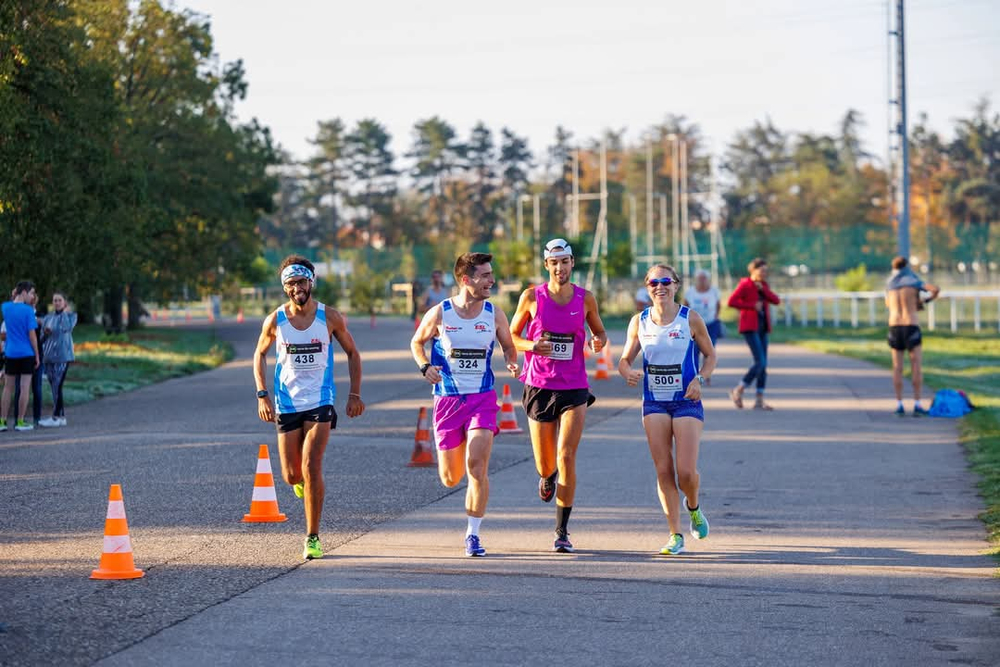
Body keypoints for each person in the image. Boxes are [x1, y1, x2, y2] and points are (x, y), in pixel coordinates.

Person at [253, 255, 365, 560]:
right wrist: (262, 395)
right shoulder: (275, 320)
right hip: (287, 401)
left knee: (312, 465)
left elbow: (353, 353)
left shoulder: (330, 317)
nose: (297, 288)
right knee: (291, 475)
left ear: (311, 282)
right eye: (291, 283)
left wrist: (354, 395)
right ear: (284, 287)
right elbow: (259, 354)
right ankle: (299, 482)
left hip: (320, 400)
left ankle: (312, 537)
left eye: (301, 281)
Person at [410, 252, 519, 557]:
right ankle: (468, 514)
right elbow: (417, 342)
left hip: (482, 399)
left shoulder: (494, 314)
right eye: (485, 276)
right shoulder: (441, 313)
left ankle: (473, 534)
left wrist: (511, 361)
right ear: (465, 280)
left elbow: (509, 346)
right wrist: (424, 366)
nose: (491, 281)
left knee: (477, 467)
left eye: (491, 274)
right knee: (450, 478)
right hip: (447, 401)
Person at [510, 238, 608, 553]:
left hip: (574, 386)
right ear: (546, 265)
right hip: (539, 385)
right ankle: (547, 476)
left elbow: (599, 331)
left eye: (565, 262)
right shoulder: (531, 297)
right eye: (554, 263)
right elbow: (511, 336)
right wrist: (531, 346)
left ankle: (562, 531)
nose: (560, 268)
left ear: (572, 263)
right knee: (545, 464)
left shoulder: (585, 298)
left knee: (566, 456)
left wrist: (598, 341)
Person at [619, 264, 716, 555]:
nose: (659, 287)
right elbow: (624, 359)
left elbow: (710, 355)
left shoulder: (690, 318)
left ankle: (693, 507)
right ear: (647, 288)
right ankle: (675, 534)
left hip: (686, 400)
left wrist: (700, 379)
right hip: (654, 402)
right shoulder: (639, 321)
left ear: (676, 285)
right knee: (663, 470)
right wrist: (627, 372)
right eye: (653, 283)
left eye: (665, 282)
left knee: (685, 472)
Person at [885, 256, 940, 416]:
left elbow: (888, 304)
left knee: (897, 367)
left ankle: (899, 404)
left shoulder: (889, 284)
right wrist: (924, 301)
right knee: (916, 365)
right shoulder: (913, 281)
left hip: (895, 326)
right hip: (911, 325)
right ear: (907, 266)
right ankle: (917, 403)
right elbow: (935, 289)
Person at [727, 258, 780, 410]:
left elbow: (776, 300)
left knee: (763, 365)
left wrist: (763, 290)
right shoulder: (745, 284)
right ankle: (739, 389)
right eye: (762, 270)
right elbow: (731, 301)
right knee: (760, 362)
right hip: (750, 327)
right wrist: (751, 305)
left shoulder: (763, 285)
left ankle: (759, 400)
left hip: (763, 328)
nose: (764, 273)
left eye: (766, 271)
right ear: (753, 270)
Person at [1, 282, 40, 432]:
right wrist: (37, 355)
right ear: (24, 292)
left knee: (7, 388)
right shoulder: (28, 311)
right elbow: (32, 336)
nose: (32, 296)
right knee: (24, 388)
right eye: (31, 293)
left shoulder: (5, 307)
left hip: (10, 352)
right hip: (26, 353)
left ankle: (2, 422)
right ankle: (20, 422)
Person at [38, 292, 77, 427]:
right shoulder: (48, 318)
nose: (57, 303)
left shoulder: (71, 316)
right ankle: (61, 417)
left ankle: (55, 417)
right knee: (54, 387)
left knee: (58, 385)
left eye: (59, 300)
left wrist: (65, 313)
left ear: (65, 302)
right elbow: (41, 339)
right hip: (48, 357)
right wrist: (45, 334)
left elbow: (67, 328)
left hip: (63, 356)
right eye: (55, 300)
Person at [684, 268, 722, 377]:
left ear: (708, 279)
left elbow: (718, 305)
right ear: (696, 279)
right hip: (694, 326)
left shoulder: (714, 291)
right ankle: (694, 374)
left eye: (704, 278)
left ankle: (706, 374)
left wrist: (716, 315)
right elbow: (686, 305)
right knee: (694, 350)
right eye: (700, 278)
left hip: (711, 324)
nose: (702, 281)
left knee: (709, 349)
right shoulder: (690, 291)